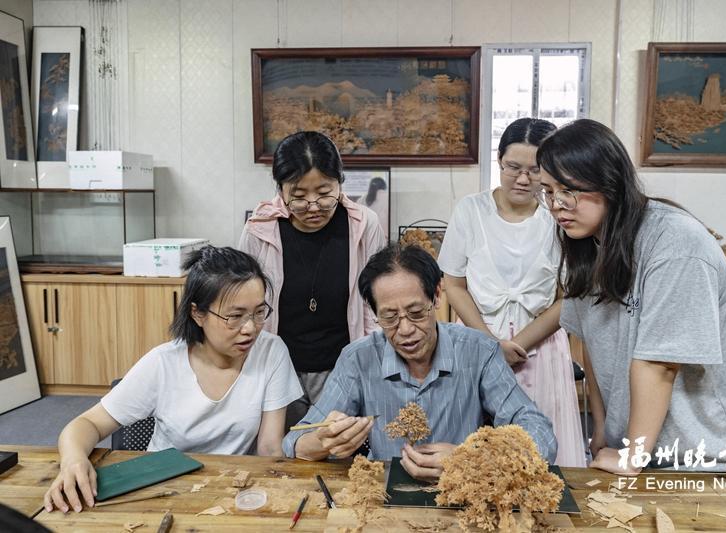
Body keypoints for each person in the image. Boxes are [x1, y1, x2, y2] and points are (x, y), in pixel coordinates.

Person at [535, 119, 726, 473]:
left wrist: (633, 455)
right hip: (648, 453)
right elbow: (590, 344)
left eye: (569, 190)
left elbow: (660, 364)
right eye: (548, 191)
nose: (557, 205)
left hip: (713, 458)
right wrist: (603, 428)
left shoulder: (675, 243)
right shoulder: (587, 246)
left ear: (610, 181)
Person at [43, 246, 303, 513]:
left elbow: (270, 448)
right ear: (197, 313)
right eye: (235, 316)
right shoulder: (163, 363)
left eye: (259, 313)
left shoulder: (271, 351)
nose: (250, 328)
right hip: (162, 490)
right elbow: (86, 424)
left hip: (232, 492)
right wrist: (73, 460)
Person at [282, 243, 557, 481]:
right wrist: (323, 442)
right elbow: (294, 441)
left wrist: (470, 457)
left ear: (436, 295)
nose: (404, 330)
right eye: (389, 317)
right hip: (384, 496)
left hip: (461, 489)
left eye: (416, 313)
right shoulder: (359, 358)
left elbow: (540, 434)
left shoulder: (479, 351)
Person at [438, 118, 585, 467]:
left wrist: (519, 344)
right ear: (499, 161)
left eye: (535, 171)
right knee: (470, 454)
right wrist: (491, 346)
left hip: (540, 348)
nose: (522, 179)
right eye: (512, 167)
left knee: (540, 455)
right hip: (475, 343)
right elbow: (454, 285)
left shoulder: (559, 217)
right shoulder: (471, 211)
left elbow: (568, 296)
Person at [239, 132, 385, 430]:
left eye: (324, 191)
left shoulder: (363, 224)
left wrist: (372, 361)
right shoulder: (260, 229)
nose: (313, 205)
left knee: (334, 451)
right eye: (299, 195)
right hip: (278, 367)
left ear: (340, 183)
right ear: (280, 189)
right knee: (282, 452)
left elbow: (376, 302)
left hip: (343, 367)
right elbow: (242, 300)